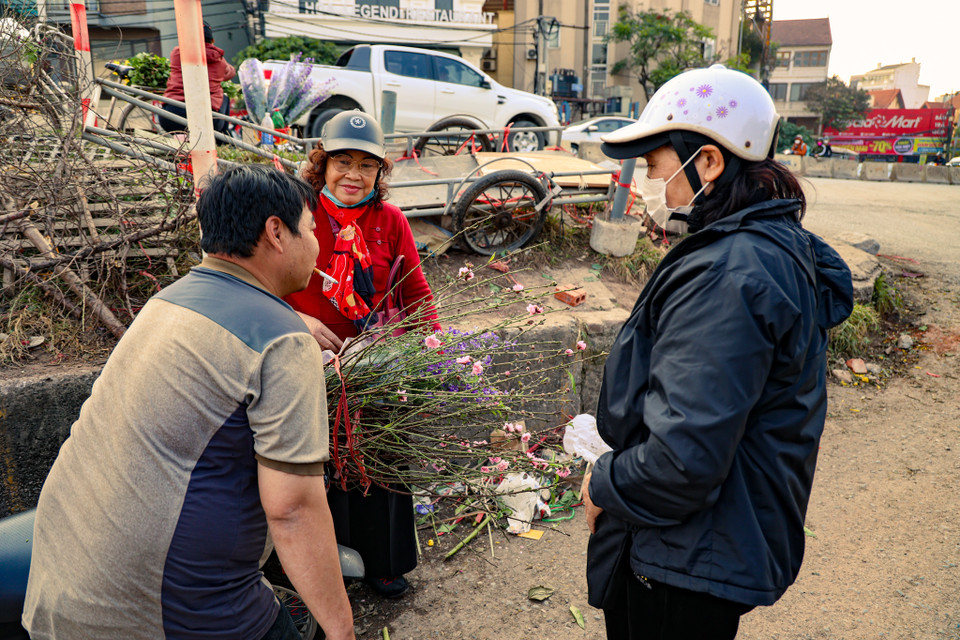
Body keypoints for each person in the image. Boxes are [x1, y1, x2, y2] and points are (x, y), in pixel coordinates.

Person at [23, 165, 355, 640]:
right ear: (276, 233)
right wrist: (343, 631)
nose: (318, 245)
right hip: (160, 610)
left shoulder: (169, 301)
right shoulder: (281, 340)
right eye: (311, 229)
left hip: (60, 586)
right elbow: (294, 510)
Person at [581, 64, 854, 639]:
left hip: (685, 561)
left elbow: (681, 463)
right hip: (704, 545)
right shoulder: (754, 251)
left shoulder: (731, 273)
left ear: (707, 162)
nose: (654, 186)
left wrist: (603, 482)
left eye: (657, 168)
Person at [284, 110, 440, 599]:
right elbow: (261, 280)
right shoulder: (297, 212)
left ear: (381, 172)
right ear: (322, 164)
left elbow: (415, 290)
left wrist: (435, 351)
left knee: (380, 458)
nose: (353, 175)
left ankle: (383, 562)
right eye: (342, 162)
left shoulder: (388, 220)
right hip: (306, 359)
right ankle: (323, 567)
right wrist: (299, 322)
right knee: (320, 465)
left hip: (376, 362)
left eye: (366, 165)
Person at [158, 21, 236, 135]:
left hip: (171, 117)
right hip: (207, 121)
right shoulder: (219, 60)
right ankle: (222, 141)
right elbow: (230, 73)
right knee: (222, 95)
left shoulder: (177, 53)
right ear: (212, 41)